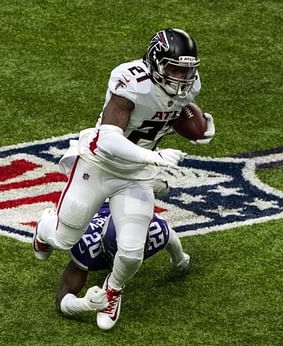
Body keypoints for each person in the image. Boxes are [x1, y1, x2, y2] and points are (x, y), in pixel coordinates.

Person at [33, 28, 215, 330]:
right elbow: (107, 139)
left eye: (186, 71)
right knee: (66, 238)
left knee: (131, 251)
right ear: (155, 63)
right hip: (100, 164)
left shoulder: (188, 86)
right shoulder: (132, 83)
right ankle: (44, 228)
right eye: (174, 69)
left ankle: (113, 289)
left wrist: (201, 128)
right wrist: (153, 157)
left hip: (135, 176)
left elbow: (184, 116)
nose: (181, 78)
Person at [56, 202, 190, 328]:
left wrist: (179, 260)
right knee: (61, 226)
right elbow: (61, 298)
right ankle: (43, 232)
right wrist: (84, 304)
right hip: (96, 204)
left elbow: (170, 237)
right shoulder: (87, 245)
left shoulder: (156, 230)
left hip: (126, 202)